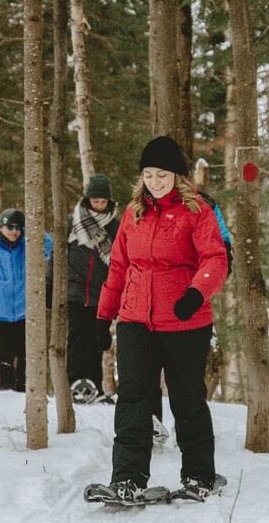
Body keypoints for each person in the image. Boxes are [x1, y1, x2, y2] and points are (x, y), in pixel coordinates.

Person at [95, 135, 229, 502]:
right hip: (136, 319)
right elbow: (119, 265)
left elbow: (216, 259)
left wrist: (196, 292)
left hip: (185, 320)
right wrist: (103, 315)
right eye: (149, 174)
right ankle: (128, 477)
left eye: (162, 175)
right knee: (133, 401)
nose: (155, 182)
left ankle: (200, 476)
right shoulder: (133, 212)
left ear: (178, 176)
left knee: (187, 401)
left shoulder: (197, 211)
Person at [0, 208, 51, 392]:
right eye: (10, 227)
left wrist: (32, 228)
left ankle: (23, 390)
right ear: (0, 227)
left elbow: (48, 246)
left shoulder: (27, 246)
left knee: (25, 352)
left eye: (19, 227)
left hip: (24, 310)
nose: (15, 231)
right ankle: (4, 390)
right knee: (6, 352)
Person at [58, 174, 120, 403]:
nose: (100, 206)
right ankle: (74, 383)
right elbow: (57, 254)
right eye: (96, 201)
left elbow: (121, 261)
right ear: (87, 200)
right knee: (76, 337)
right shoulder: (72, 221)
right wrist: (48, 283)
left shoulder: (115, 226)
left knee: (96, 340)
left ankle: (94, 385)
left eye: (104, 202)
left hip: (101, 292)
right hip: (74, 290)